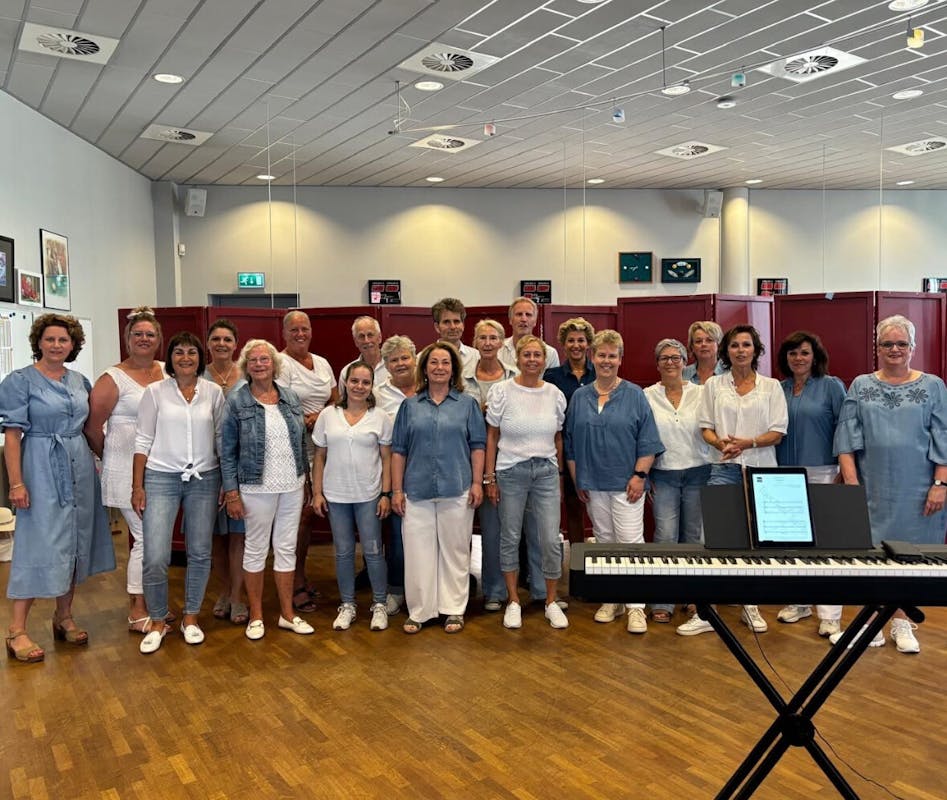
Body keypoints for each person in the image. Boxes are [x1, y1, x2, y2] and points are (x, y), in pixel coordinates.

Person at [2, 314, 114, 663]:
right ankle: (16, 630)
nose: (56, 345)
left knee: (75, 540)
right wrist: (16, 482)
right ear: (38, 342)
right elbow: (12, 435)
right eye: (49, 339)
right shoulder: (20, 381)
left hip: (79, 465)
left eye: (63, 340)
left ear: (73, 344)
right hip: (39, 466)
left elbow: (91, 427)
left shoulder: (79, 381)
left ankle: (63, 615)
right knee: (38, 543)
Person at [833, 314, 947, 654]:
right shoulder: (860, 385)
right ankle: (870, 625)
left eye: (901, 343)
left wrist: (941, 483)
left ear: (912, 347)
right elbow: (846, 437)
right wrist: (851, 484)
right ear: (877, 348)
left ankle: (901, 621)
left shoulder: (933, 386)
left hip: (919, 491)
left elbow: (943, 436)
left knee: (912, 559)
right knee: (871, 557)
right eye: (887, 344)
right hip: (873, 488)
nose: (894, 349)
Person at [689, 324, 787, 636]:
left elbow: (778, 431)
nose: (740, 350)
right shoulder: (714, 385)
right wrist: (720, 444)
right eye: (734, 345)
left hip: (761, 471)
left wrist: (748, 443)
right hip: (723, 467)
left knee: (754, 541)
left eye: (746, 345)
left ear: (756, 350)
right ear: (726, 351)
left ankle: (750, 606)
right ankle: (706, 612)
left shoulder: (771, 387)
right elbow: (705, 427)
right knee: (713, 538)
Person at [564, 330, 663, 634]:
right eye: (601, 355)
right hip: (593, 484)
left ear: (620, 359)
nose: (606, 361)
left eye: (612, 355)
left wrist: (640, 476)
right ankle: (613, 599)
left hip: (627, 484)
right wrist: (578, 479)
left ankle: (636, 606)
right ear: (592, 357)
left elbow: (648, 440)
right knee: (604, 543)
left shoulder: (634, 395)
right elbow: (571, 443)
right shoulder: (580, 397)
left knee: (630, 543)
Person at [133, 332, 224, 654]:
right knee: (155, 555)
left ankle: (191, 617)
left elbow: (220, 437)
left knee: (200, 552)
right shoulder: (155, 392)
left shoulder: (213, 392)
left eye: (192, 352)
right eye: (179, 352)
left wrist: (226, 483)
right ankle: (158, 620)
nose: (186, 358)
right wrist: (137, 486)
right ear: (170, 358)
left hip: (205, 478)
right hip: (160, 478)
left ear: (200, 357)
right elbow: (142, 439)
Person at [220, 340, 313, 641]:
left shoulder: (289, 396)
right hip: (254, 487)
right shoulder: (237, 400)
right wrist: (232, 493)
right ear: (246, 366)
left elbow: (301, 441)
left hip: (292, 485)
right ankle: (257, 616)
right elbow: (226, 451)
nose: (260, 364)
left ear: (274, 364)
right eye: (254, 360)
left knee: (286, 548)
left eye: (265, 359)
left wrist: (307, 482)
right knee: (256, 548)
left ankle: (288, 614)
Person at [391, 341, 485, 634]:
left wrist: (477, 482)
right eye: (434, 362)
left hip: (457, 487)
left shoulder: (467, 404)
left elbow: (478, 445)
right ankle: (421, 611)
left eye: (445, 362)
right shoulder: (409, 406)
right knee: (418, 553)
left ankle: (453, 609)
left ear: (454, 369)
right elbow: (398, 450)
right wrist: (396, 490)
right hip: (416, 490)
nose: (439, 367)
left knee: (455, 552)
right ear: (424, 368)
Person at [85, 306, 166, 635]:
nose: (144, 339)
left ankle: (155, 603)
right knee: (146, 539)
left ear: (159, 339)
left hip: (162, 469)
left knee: (156, 540)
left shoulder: (166, 371)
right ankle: (137, 608)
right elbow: (93, 428)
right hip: (124, 468)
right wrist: (112, 459)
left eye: (150, 334)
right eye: (138, 334)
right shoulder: (112, 378)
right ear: (127, 339)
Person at [485, 335, 568, 629]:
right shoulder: (502, 391)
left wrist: (559, 476)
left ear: (544, 360)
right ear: (518, 359)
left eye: (537, 355)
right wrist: (489, 477)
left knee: (550, 538)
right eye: (527, 355)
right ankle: (513, 601)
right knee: (510, 537)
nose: (532, 360)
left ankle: (550, 601)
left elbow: (558, 438)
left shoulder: (554, 393)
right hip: (510, 472)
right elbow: (492, 436)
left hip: (546, 472)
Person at [773, 331, 847, 637]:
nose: (798, 358)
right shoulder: (778, 388)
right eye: (792, 353)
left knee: (825, 543)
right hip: (784, 473)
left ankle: (830, 614)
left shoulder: (831, 386)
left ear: (815, 356)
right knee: (792, 542)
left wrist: (844, 469)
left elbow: (845, 428)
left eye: (804, 352)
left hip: (823, 471)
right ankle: (799, 601)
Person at [313, 361, 392, 633]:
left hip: (369, 494)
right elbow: (319, 456)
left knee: (373, 550)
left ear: (372, 386)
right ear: (345, 383)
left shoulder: (380, 417)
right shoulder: (328, 415)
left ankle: (379, 604)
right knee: (344, 552)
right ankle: (347, 604)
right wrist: (317, 492)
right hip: (336, 495)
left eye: (365, 382)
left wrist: (385, 494)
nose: (359, 386)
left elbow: (386, 458)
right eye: (354, 381)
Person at [643, 338, 711, 624]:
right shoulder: (647, 395)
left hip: (699, 471)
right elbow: (642, 437)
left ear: (685, 362)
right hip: (664, 473)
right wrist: (645, 473)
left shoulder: (703, 392)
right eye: (664, 358)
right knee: (665, 537)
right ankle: (663, 599)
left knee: (693, 538)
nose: (670, 362)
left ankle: (694, 596)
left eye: (676, 358)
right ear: (657, 364)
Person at [276, 310, 338, 614]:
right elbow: (276, 404)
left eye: (305, 329)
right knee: (298, 517)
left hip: (324, 447)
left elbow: (336, 399)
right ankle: (294, 582)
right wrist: (305, 419)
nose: (300, 334)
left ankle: (301, 573)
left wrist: (321, 415)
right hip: (294, 448)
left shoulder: (322, 363)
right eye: (294, 329)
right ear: (284, 333)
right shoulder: (279, 363)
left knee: (312, 515)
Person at [462, 320, 517, 613]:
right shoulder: (461, 378)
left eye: (493, 338)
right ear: (475, 342)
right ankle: (477, 589)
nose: (487, 343)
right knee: (477, 530)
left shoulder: (515, 376)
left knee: (503, 530)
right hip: (467, 459)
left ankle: (504, 590)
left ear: (501, 342)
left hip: (506, 458)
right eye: (482, 337)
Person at [204, 319, 248, 626]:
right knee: (214, 535)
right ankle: (225, 589)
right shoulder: (197, 373)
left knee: (239, 534)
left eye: (227, 339)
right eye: (216, 339)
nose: (221, 344)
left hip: (241, 463)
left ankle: (238, 595)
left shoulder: (247, 374)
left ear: (236, 344)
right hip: (205, 463)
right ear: (208, 343)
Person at [374, 335, 417, 616]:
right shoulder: (377, 394)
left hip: (428, 471)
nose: (400, 364)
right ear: (386, 365)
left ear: (414, 359)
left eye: (405, 358)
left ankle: (428, 590)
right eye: (393, 360)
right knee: (398, 539)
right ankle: (397, 590)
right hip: (395, 476)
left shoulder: (429, 387)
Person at [543, 317, 596, 545]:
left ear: (588, 344)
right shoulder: (551, 376)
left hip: (596, 447)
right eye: (571, 340)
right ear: (563, 344)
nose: (576, 345)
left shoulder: (599, 372)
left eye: (581, 340)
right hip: (564, 448)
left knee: (600, 505)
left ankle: (603, 555)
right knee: (572, 506)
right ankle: (577, 554)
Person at [498, 297, 559, 371]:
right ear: (510, 320)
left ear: (535, 321)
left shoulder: (550, 353)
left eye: (528, 315)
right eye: (519, 314)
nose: (523, 319)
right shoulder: (498, 350)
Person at [339, 315, 390, 386]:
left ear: (379, 338)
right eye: (361, 336)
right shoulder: (347, 372)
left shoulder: (394, 366)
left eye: (370, 335)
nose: (366, 341)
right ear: (356, 342)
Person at [432, 297, 478, 370]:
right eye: (446, 322)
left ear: (463, 325)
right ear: (437, 327)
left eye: (456, 321)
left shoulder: (476, 357)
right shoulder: (424, 358)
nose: (453, 327)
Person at [682, 321, 724, 385]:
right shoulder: (683, 374)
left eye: (709, 340)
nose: (703, 344)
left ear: (719, 344)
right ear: (692, 346)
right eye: (698, 341)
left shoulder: (730, 371)